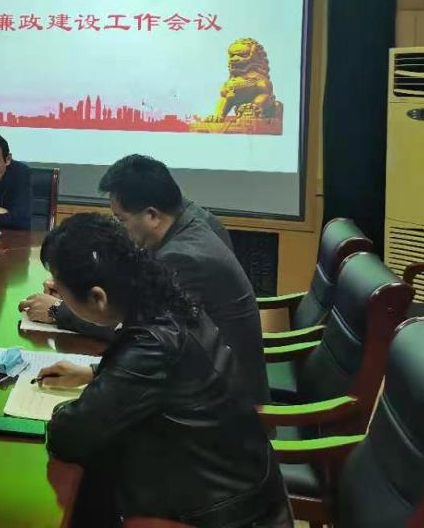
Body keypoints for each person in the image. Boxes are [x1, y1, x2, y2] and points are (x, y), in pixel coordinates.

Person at [36, 214, 292, 527]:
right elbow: (170, 375)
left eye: (62, 293)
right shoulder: (166, 298)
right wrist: (96, 372)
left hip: (226, 515)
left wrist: (63, 409)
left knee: (84, 492)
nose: (59, 298)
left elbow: (72, 435)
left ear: (98, 297)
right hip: (241, 486)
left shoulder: (153, 344)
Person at [21, 154, 269, 404]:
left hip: (223, 404)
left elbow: (142, 334)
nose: (119, 229)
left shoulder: (182, 258)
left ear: (152, 215)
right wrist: (77, 289)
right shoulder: (190, 220)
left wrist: (59, 310)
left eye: (121, 220)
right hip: (209, 377)